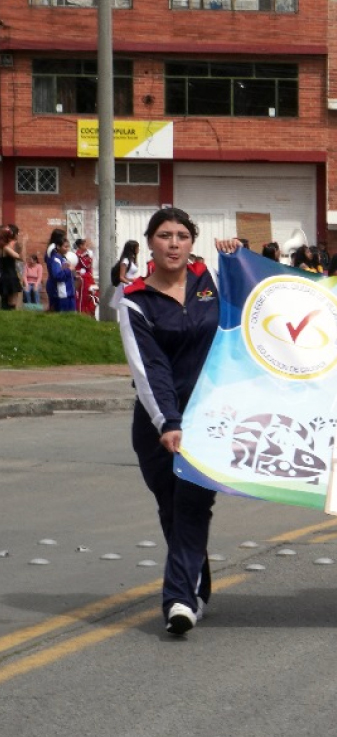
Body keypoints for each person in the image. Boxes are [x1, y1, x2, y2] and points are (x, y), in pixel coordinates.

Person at [117, 207, 243, 634]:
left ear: (193, 243)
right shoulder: (133, 300)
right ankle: (197, 588)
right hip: (157, 423)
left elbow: (260, 302)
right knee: (172, 508)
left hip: (209, 419)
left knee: (192, 504)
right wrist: (168, 422)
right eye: (165, 235)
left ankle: (178, 601)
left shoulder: (212, 283)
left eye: (183, 236)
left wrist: (239, 257)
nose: (174, 243)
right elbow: (148, 369)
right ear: (150, 242)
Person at [45, 229, 76, 312]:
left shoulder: (62, 257)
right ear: (58, 246)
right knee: (60, 315)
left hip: (68, 292)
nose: (67, 249)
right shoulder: (54, 257)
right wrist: (68, 270)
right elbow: (57, 275)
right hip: (60, 292)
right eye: (65, 247)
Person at [74, 238, 97, 316]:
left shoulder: (86, 254)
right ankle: (81, 312)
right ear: (80, 246)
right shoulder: (78, 255)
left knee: (91, 294)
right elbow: (86, 265)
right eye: (85, 245)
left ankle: (90, 311)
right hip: (83, 278)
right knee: (83, 296)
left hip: (88, 277)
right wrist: (88, 258)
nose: (87, 247)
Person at [0, 226, 20, 310]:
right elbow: (17, 256)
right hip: (9, 276)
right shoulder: (6, 248)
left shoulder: (3, 247)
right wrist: (24, 244)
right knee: (11, 302)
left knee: (5, 300)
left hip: (6, 275)